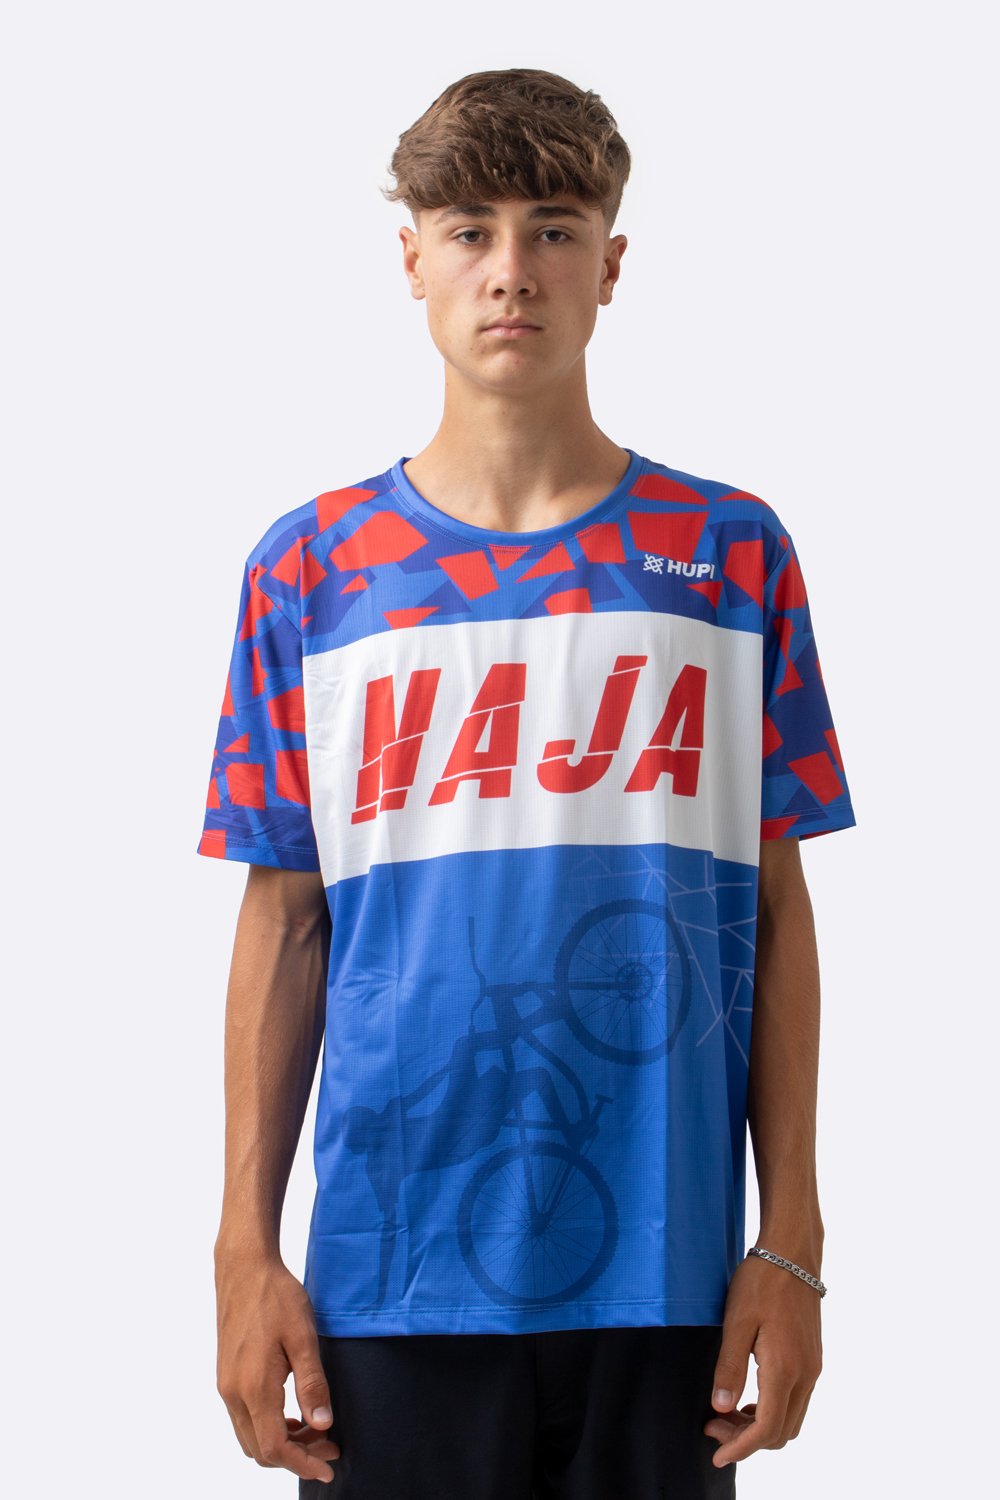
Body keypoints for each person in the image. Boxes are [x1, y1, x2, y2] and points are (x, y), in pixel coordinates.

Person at [197, 67, 857, 1500]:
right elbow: (285, 923)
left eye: (554, 229)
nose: (513, 271)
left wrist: (793, 1239)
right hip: (388, 1276)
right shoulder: (309, 571)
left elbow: (776, 915)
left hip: (669, 1276)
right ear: (414, 261)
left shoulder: (731, 555)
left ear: (611, 263)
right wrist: (244, 1249)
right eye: (472, 230)